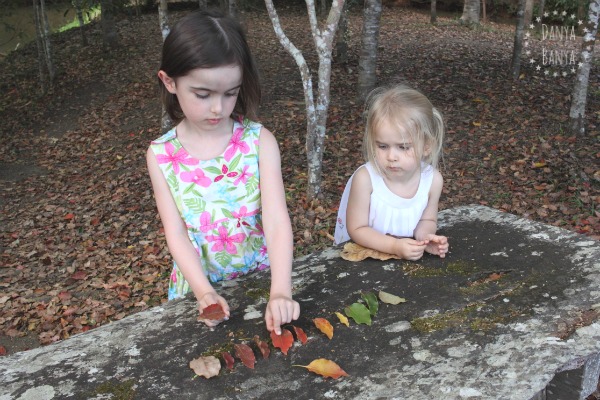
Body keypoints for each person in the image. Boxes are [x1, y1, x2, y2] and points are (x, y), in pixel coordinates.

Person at [147, 10, 299, 335]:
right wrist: (204, 293)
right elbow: (176, 233)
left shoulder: (259, 142)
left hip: (263, 282)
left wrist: (281, 290)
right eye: (203, 95)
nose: (218, 107)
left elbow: (275, 220)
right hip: (201, 292)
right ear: (169, 81)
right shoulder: (161, 155)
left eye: (230, 93)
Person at [334, 84, 449, 260]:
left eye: (403, 147)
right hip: (365, 258)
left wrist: (425, 239)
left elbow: (427, 221)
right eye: (382, 146)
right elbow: (357, 229)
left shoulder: (432, 181)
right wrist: (394, 246)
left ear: (427, 146)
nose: (391, 156)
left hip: (404, 260)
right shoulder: (366, 179)